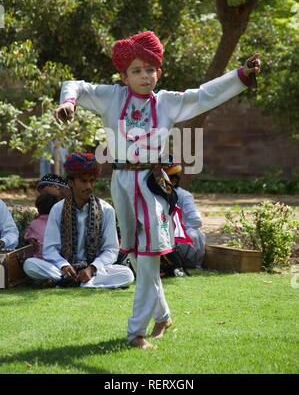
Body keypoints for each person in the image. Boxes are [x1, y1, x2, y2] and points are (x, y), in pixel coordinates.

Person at [54, 30, 260, 348]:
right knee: (137, 256)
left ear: (158, 72)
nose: (144, 75)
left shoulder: (167, 103)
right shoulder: (112, 97)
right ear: (124, 76)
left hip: (152, 186)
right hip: (121, 182)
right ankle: (163, 315)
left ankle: (135, 333)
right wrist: (68, 103)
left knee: (148, 256)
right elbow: (76, 86)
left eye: (150, 69)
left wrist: (241, 75)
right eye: (136, 70)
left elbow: (204, 94)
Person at [23, 152, 134, 289]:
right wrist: (64, 265)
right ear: (71, 182)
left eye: (92, 181)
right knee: (30, 264)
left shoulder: (106, 210)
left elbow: (111, 250)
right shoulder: (58, 209)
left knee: (127, 274)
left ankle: (75, 281)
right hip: (64, 269)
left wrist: (92, 268)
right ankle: (78, 281)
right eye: (83, 181)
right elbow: (50, 248)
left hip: (94, 270)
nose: (89, 186)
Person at [160, 163, 206, 277]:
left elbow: (195, 220)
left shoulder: (184, 196)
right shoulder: (157, 195)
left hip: (181, 236)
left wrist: (177, 233)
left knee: (192, 235)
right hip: (164, 236)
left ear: (173, 180)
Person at [24, 194, 60, 258]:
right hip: (59, 257)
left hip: (40, 257)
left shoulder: (34, 223)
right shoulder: (59, 221)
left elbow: (26, 237)